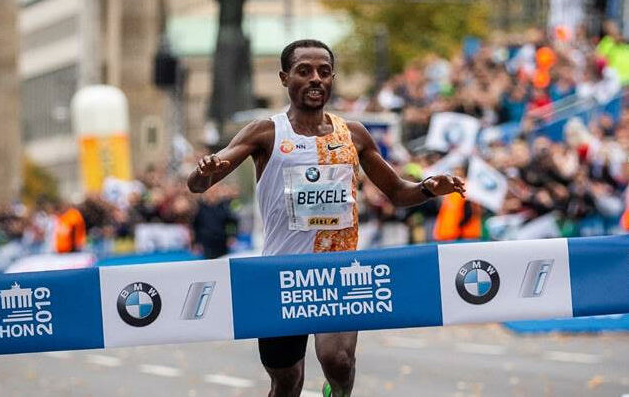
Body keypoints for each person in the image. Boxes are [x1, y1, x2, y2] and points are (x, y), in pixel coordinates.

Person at [188, 39, 466, 397]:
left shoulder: (354, 134)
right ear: (285, 78)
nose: (315, 78)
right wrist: (205, 171)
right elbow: (199, 184)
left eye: (324, 71)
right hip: (283, 274)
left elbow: (397, 192)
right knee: (287, 382)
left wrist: (427, 187)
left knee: (339, 361)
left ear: (332, 78)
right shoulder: (266, 132)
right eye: (304, 71)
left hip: (339, 269)